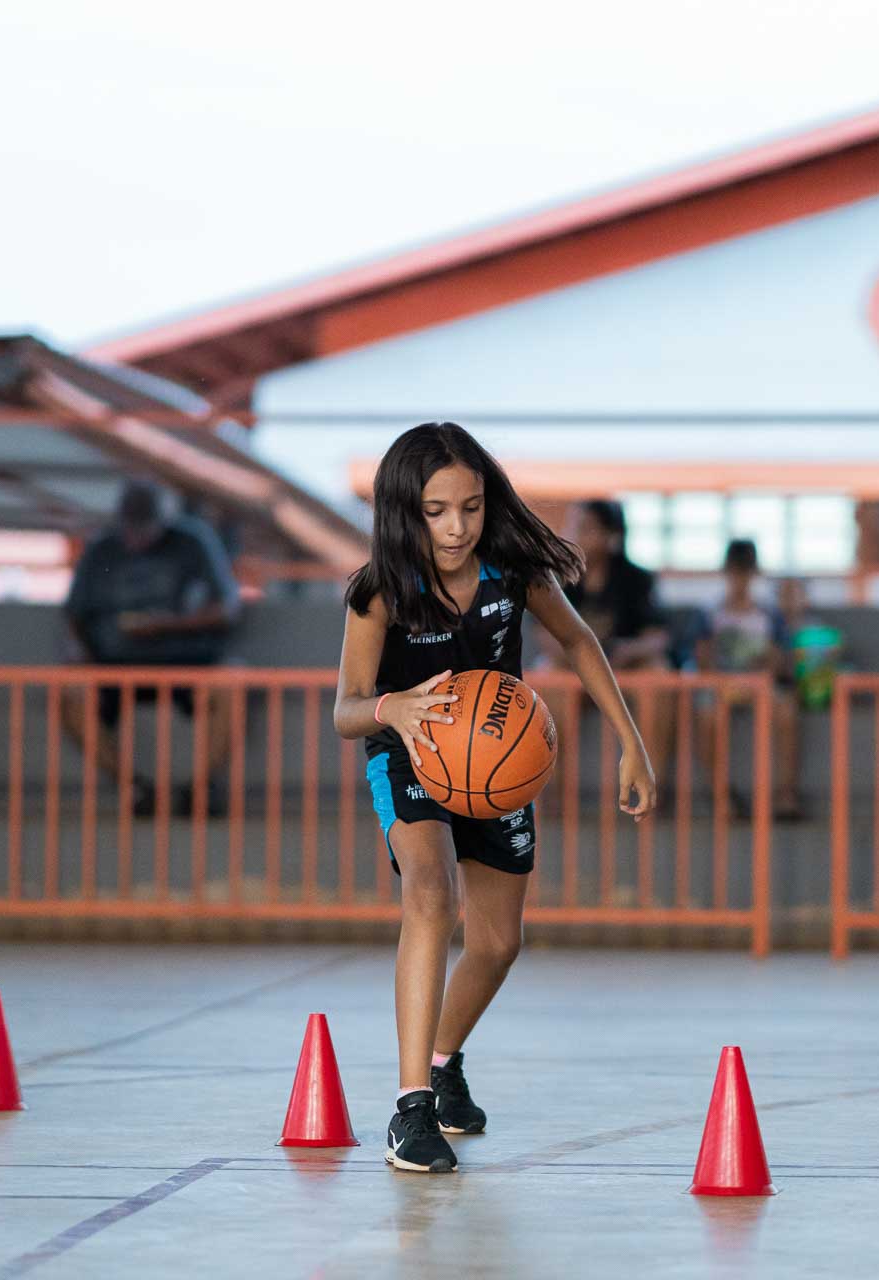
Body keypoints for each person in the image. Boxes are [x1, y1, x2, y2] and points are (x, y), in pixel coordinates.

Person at [334, 422, 655, 1175]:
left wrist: (631, 742)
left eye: (471, 507)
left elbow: (578, 640)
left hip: (495, 763)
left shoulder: (511, 572)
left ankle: (443, 1063)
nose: (457, 526)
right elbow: (345, 709)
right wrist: (392, 709)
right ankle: (411, 1107)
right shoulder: (380, 591)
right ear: (404, 511)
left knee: (498, 944)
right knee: (430, 896)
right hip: (410, 755)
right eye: (437, 511)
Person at [62, 482, 240, 817]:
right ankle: (134, 787)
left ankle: (200, 786)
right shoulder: (101, 549)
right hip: (114, 666)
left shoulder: (193, 541)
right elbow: (73, 613)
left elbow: (227, 609)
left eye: (144, 529)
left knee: (234, 684)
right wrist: (81, 655)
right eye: (130, 529)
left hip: (186, 663)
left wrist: (167, 624)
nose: (136, 539)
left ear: (164, 522)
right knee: (71, 693)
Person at [538, 500, 677, 774]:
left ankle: (652, 781)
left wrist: (626, 652)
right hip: (574, 670)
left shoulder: (637, 579)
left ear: (611, 535)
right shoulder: (559, 578)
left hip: (625, 670)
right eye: (574, 527)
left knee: (659, 674)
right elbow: (544, 636)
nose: (576, 534)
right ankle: (551, 785)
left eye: (586, 528)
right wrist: (582, 660)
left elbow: (657, 638)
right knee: (548, 674)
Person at [696, 539, 805, 821]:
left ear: (754, 573)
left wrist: (763, 671)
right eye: (735, 571)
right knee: (706, 715)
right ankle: (721, 795)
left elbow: (781, 657)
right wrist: (722, 680)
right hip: (721, 686)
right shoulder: (710, 612)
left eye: (744, 571)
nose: (740, 579)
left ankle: (786, 793)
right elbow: (702, 657)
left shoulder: (769, 613)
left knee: (787, 709)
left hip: (761, 685)